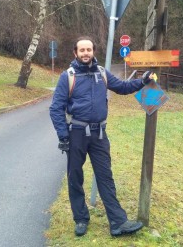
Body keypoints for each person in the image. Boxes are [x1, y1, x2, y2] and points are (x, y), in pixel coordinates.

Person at [49, 36, 153, 237]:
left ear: (93, 51)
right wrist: (63, 135)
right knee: (75, 178)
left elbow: (122, 88)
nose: (86, 53)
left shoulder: (101, 73)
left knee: (105, 176)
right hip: (76, 134)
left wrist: (143, 81)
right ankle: (80, 219)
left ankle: (118, 222)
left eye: (89, 49)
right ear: (75, 53)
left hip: (99, 135)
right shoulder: (67, 76)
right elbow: (56, 108)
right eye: (82, 50)